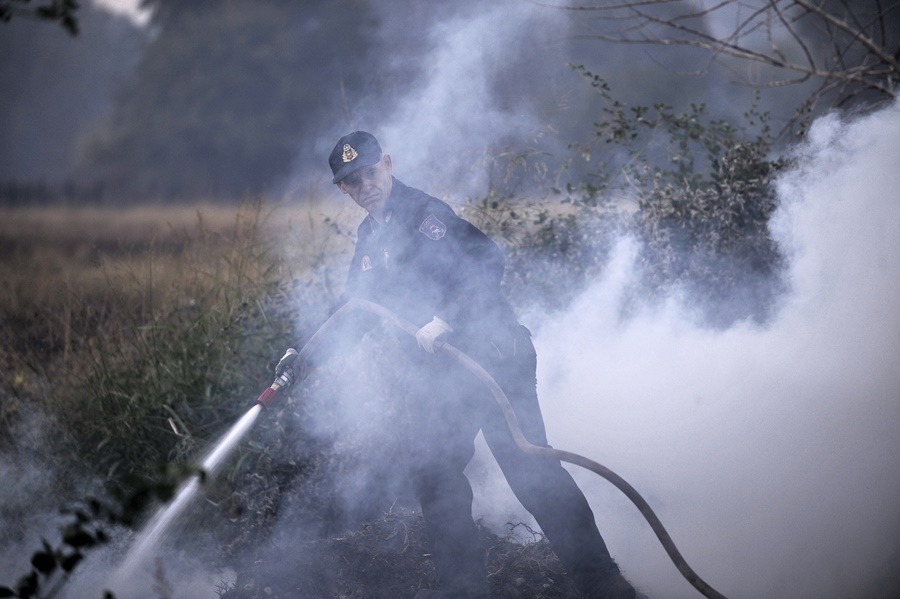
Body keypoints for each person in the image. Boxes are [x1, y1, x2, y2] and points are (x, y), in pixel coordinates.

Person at [275, 131, 637, 599]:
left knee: (530, 469)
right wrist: (304, 356)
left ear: (386, 164)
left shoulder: (426, 214)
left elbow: (488, 260)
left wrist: (448, 317)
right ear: (342, 189)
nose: (363, 186)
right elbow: (354, 310)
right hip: (446, 379)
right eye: (350, 182)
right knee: (435, 476)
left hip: (492, 358)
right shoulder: (370, 236)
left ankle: (604, 586)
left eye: (368, 173)